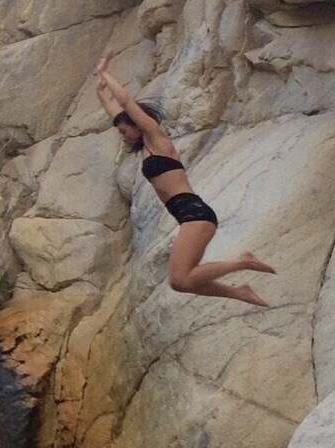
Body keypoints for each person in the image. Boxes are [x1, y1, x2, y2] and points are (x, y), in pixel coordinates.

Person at [95, 52, 273, 307]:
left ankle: (241, 262)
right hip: (189, 216)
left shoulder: (157, 138)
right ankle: (240, 292)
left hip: (196, 214)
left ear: (137, 124)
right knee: (181, 282)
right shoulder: (144, 145)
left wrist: (106, 74)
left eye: (125, 130)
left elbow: (124, 100)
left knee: (180, 278)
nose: (123, 136)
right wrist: (99, 81)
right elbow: (110, 104)